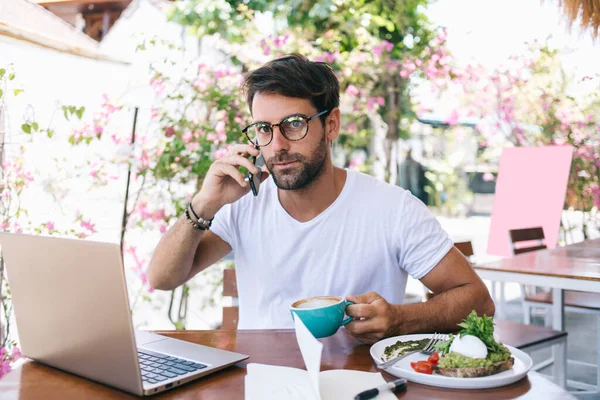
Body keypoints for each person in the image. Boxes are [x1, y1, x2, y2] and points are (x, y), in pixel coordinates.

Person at [147, 54, 494, 344]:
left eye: (294, 124)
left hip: (360, 385)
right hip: (265, 384)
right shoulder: (242, 203)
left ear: (331, 125)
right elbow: (162, 278)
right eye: (264, 129)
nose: (278, 145)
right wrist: (206, 203)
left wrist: (401, 319)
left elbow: (477, 300)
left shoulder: (392, 210)